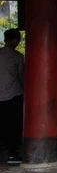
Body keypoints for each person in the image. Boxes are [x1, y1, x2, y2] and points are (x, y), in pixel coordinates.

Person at [0, 29, 24, 165]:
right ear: (15, 40)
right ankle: (13, 155)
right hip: (12, 96)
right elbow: (21, 77)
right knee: (13, 126)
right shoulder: (17, 57)